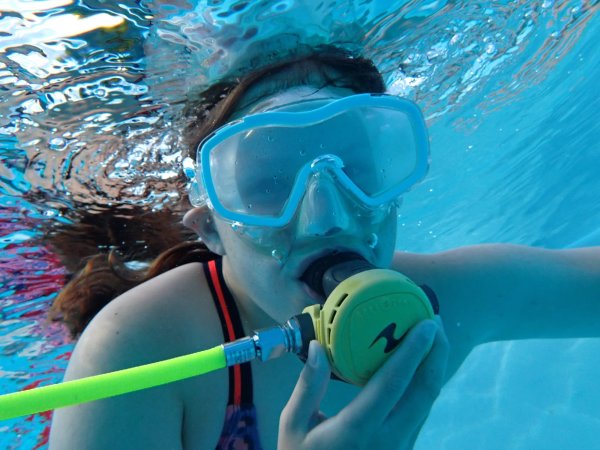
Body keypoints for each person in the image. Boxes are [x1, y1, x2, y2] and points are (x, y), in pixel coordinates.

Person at [45, 46, 599, 450]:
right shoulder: (140, 352)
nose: (329, 219)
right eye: (269, 185)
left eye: (356, 171)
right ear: (210, 229)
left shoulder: (447, 302)